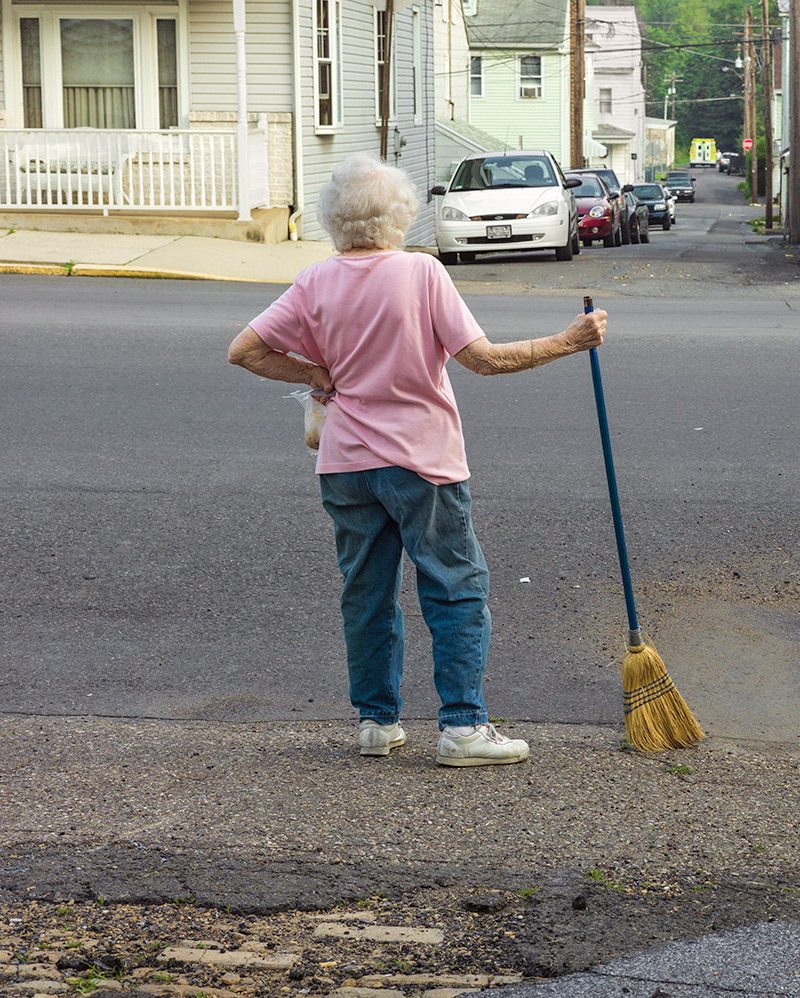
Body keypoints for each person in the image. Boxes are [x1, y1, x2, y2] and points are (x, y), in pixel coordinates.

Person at [228, 152, 605, 766]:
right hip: (422, 463)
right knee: (455, 586)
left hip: (346, 463)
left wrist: (318, 373)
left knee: (367, 593)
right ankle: (462, 726)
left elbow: (244, 350)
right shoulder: (421, 273)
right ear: (399, 216)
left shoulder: (314, 281)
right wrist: (570, 341)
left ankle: (375, 723)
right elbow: (483, 360)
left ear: (335, 218)